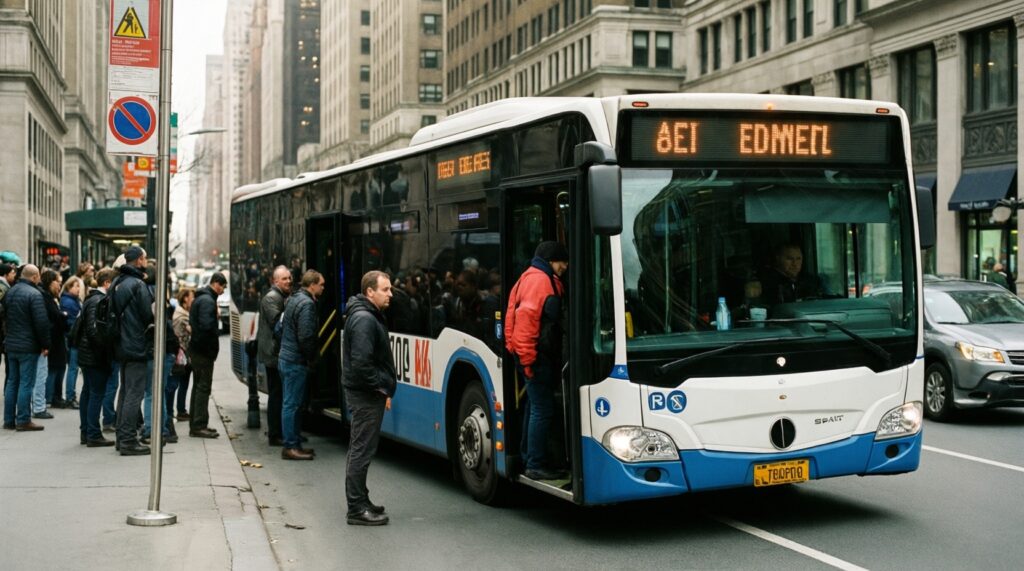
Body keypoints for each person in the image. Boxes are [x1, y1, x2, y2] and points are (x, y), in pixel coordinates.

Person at [505, 241, 568, 481]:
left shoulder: (532, 276)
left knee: (534, 407)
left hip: (532, 356)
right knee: (543, 409)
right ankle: (535, 464)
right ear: (551, 260)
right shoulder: (540, 281)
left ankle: (528, 458)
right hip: (536, 358)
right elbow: (527, 322)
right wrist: (528, 361)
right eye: (562, 261)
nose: (565, 266)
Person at [342, 270, 395, 526]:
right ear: (370, 292)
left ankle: (361, 499)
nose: (390, 294)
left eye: (390, 289)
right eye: (385, 289)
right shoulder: (365, 319)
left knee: (361, 448)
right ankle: (356, 508)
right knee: (362, 450)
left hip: (364, 392)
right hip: (366, 394)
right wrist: (380, 387)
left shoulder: (366, 315)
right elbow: (362, 362)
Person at [113, 246, 155, 456]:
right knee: (134, 393)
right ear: (139, 260)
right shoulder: (138, 285)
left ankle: (121, 437)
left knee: (125, 391)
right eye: (144, 258)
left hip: (121, 344)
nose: (146, 261)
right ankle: (129, 440)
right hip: (136, 345)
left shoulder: (117, 282)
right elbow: (148, 315)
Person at [278, 270, 324, 461]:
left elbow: (280, 327)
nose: (323, 288)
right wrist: (312, 358)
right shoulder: (307, 304)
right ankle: (290, 446)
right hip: (295, 361)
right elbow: (306, 337)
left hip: (286, 357)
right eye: (321, 284)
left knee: (292, 403)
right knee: (292, 405)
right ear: (312, 285)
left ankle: (295, 443)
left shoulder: (293, 299)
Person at [1, 264, 50, 431]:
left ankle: (9, 420)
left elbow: (4, 316)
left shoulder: (10, 292)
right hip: (28, 345)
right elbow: (41, 323)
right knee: (26, 383)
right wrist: (45, 344)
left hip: (11, 343)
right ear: (35, 277)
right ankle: (23, 419)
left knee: (12, 382)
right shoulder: (35, 294)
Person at [77, 268, 117, 447]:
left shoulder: (91, 299)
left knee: (88, 392)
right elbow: (94, 331)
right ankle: (93, 433)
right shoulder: (99, 301)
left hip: (88, 354)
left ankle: (86, 431)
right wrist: (105, 349)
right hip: (95, 356)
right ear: (107, 283)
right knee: (95, 394)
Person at [188, 271, 227, 438]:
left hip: (198, 350)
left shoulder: (203, 298)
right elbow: (206, 327)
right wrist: (210, 349)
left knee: (198, 387)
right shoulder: (207, 301)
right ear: (216, 284)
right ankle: (199, 425)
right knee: (203, 387)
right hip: (203, 352)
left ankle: (197, 423)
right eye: (223, 287)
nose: (223, 291)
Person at [258, 266, 292, 447]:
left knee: (280, 394)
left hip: (275, 353)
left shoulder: (281, 297)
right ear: (275, 281)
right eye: (284, 279)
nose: (288, 281)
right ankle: (275, 434)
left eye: (289, 278)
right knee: (276, 395)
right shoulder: (272, 298)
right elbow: (278, 325)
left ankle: (281, 432)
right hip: (273, 354)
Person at [33, 270, 63, 419]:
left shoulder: (45, 296)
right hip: (43, 342)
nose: (59, 285)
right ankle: (40, 405)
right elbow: (44, 322)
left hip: (24, 342)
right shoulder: (43, 297)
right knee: (40, 375)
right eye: (57, 281)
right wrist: (45, 344)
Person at [758, 243, 825, 305]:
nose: (795, 264)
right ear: (778, 258)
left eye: (798, 259)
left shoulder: (812, 281)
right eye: (789, 259)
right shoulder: (766, 282)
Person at [170, 288, 194, 421]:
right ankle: (179, 410)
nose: (193, 300)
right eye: (192, 297)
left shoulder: (181, 313)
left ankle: (180, 409)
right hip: (181, 354)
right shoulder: (182, 316)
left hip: (182, 353)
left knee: (182, 383)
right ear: (185, 299)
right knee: (178, 383)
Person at [59, 276, 83, 408]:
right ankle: (70, 396)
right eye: (76, 286)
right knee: (73, 368)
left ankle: (70, 395)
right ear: (69, 287)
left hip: (72, 338)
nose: (79, 289)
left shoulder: (73, 300)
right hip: (73, 338)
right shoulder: (69, 302)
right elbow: (71, 322)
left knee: (73, 368)